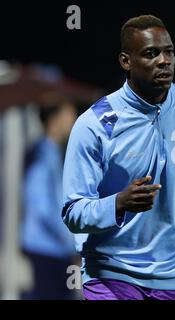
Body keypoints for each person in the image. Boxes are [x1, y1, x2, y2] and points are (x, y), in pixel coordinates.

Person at [61, 14, 175, 300]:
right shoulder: (95, 124)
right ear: (126, 61)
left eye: (169, 52)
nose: (164, 61)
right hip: (111, 277)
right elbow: (73, 212)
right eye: (151, 53)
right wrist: (119, 203)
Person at [21, 102, 77, 299]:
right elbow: (41, 206)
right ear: (54, 121)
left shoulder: (51, 152)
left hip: (54, 249)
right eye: (69, 114)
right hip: (45, 249)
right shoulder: (42, 155)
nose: (73, 120)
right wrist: (70, 238)